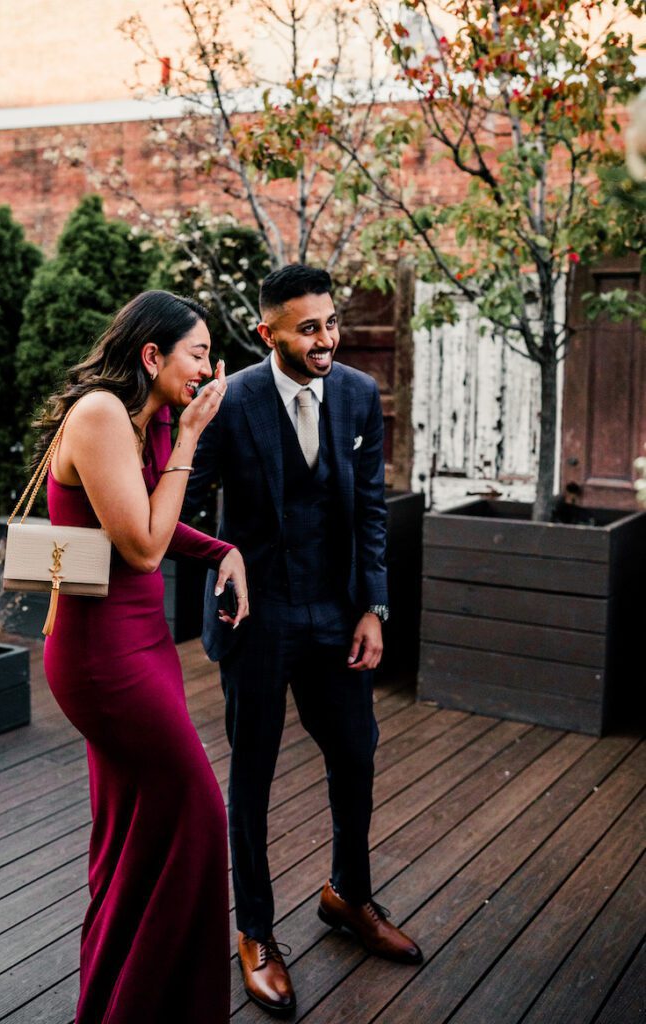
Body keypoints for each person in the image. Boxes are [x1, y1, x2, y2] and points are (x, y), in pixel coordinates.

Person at [183, 264, 422, 1016]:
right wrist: (219, 561)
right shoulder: (230, 404)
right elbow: (183, 507)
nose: (326, 339)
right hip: (258, 617)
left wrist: (374, 607)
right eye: (307, 328)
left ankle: (347, 895)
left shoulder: (356, 393)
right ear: (268, 333)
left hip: (336, 612)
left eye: (330, 323)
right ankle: (254, 930)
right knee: (250, 774)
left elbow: (372, 512)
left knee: (356, 752)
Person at [39, 290, 249, 1024]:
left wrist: (222, 549)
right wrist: (191, 436)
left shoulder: (147, 416)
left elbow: (149, 514)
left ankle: (117, 1001)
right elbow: (141, 545)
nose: (207, 368)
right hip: (102, 661)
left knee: (133, 833)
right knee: (195, 814)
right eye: (197, 352)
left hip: (144, 644)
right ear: (153, 355)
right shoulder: (99, 415)